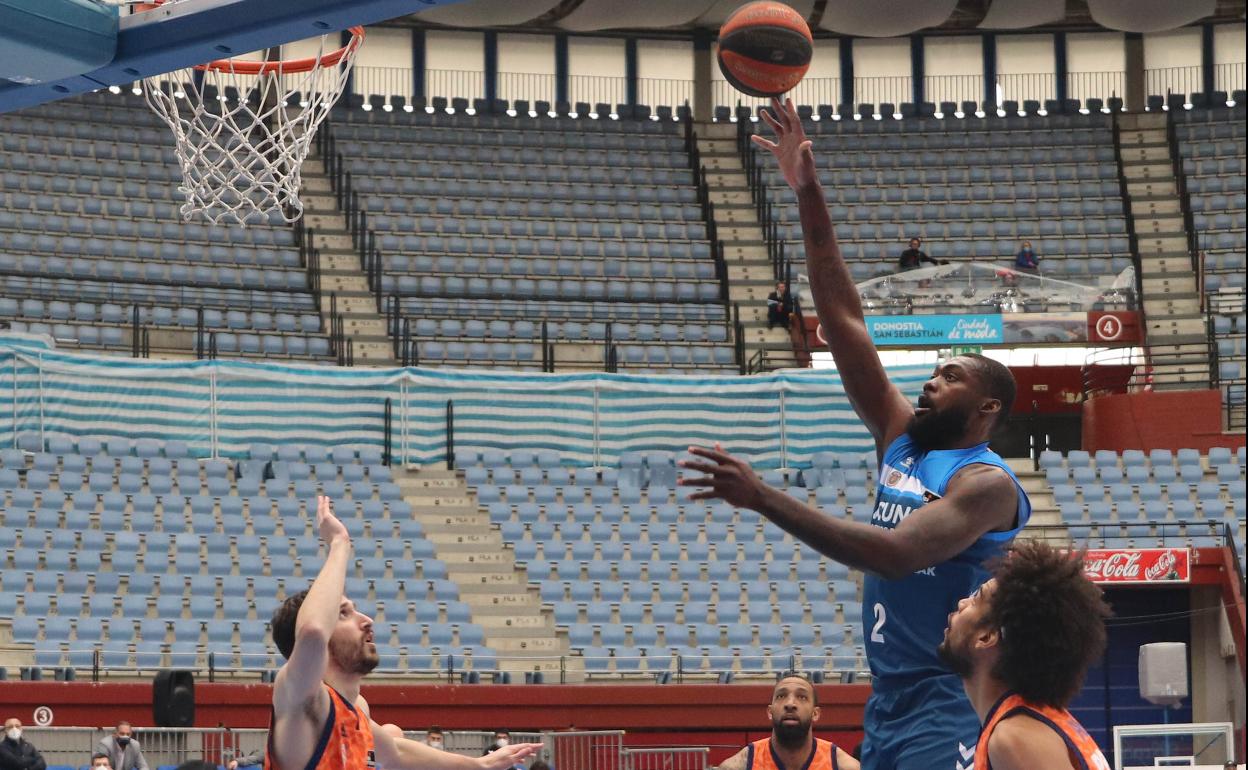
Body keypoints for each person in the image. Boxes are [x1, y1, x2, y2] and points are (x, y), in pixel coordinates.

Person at [680, 97, 1031, 770]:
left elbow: (896, 555)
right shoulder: (901, 437)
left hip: (949, 698)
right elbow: (841, 317)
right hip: (890, 701)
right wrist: (807, 192)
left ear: (986, 409)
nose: (930, 383)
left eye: (949, 376)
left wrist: (762, 496)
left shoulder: (985, 485)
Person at [264, 495, 542, 770]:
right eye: (344, 613)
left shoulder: (355, 708)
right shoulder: (299, 696)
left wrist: (478, 765)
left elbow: (396, 751)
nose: (366, 620)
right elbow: (312, 631)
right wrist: (339, 543)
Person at [938, 541, 1112, 770]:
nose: (961, 603)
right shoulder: (1025, 725)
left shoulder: (1014, 739)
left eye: (975, 599)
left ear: (986, 637)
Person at [713, 674, 858, 770]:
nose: (790, 704)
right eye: (781, 696)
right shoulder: (739, 766)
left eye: (802, 697)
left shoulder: (843, 766)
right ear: (770, 712)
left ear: (815, 713)